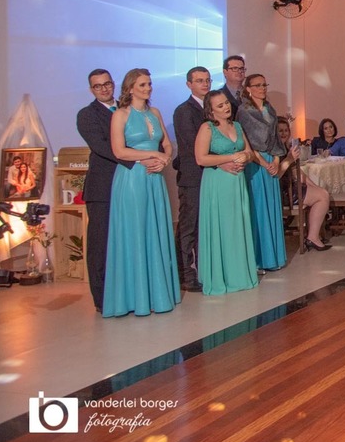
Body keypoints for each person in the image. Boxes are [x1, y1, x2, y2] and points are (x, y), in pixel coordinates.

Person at [103, 68, 180, 317]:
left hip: (155, 178)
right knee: (136, 232)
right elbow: (119, 151)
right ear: (130, 88)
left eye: (149, 84)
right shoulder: (120, 115)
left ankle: (158, 294)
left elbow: (166, 144)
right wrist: (152, 154)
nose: (148, 88)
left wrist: (164, 159)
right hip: (132, 178)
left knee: (156, 230)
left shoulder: (154, 112)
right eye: (143, 85)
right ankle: (134, 297)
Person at [76, 69, 141, 313]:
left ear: (114, 84)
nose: (104, 89)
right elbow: (103, 146)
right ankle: (103, 299)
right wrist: (138, 159)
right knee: (101, 244)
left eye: (107, 84)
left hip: (132, 184)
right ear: (91, 89)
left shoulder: (128, 109)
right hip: (103, 188)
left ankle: (130, 294)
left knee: (129, 239)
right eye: (98, 86)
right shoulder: (87, 114)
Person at [195, 90, 259, 295]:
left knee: (237, 225)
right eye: (220, 105)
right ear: (211, 110)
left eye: (226, 103)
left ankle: (239, 274)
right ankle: (220, 276)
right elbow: (201, 158)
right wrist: (229, 159)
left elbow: (249, 152)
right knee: (221, 227)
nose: (226, 107)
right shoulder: (207, 128)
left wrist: (245, 157)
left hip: (237, 182)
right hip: (217, 183)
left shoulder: (237, 126)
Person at [236, 73, 287, 272]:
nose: (262, 88)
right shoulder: (244, 111)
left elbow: (276, 138)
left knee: (272, 207)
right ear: (248, 89)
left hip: (271, 160)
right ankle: (259, 259)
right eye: (257, 85)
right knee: (258, 209)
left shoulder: (269, 108)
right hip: (255, 163)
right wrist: (264, 163)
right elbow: (246, 141)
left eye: (264, 84)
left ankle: (274, 257)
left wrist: (276, 160)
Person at [172, 66, 211, 293]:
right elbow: (191, 144)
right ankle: (185, 274)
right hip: (192, 176)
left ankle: (203, 270)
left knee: (204, 225)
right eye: (199, 81)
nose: (204, 84)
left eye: (207, 80)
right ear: (189, 84)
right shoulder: (184, 111)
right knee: (189, 226)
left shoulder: (212, 108)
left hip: (211, 174)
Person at [275, 116, 332, 251]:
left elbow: (298, 173)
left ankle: (313, 236)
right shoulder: (276, 151)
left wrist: (315, 187)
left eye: (286, 130)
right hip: (283, 192)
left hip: (292, 187)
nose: (283, 133)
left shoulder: (285, 148)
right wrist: (289, 159)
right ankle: (312, 238)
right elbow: (276, 175)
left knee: (322, 193)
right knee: (322, 196)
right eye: (280, 131)